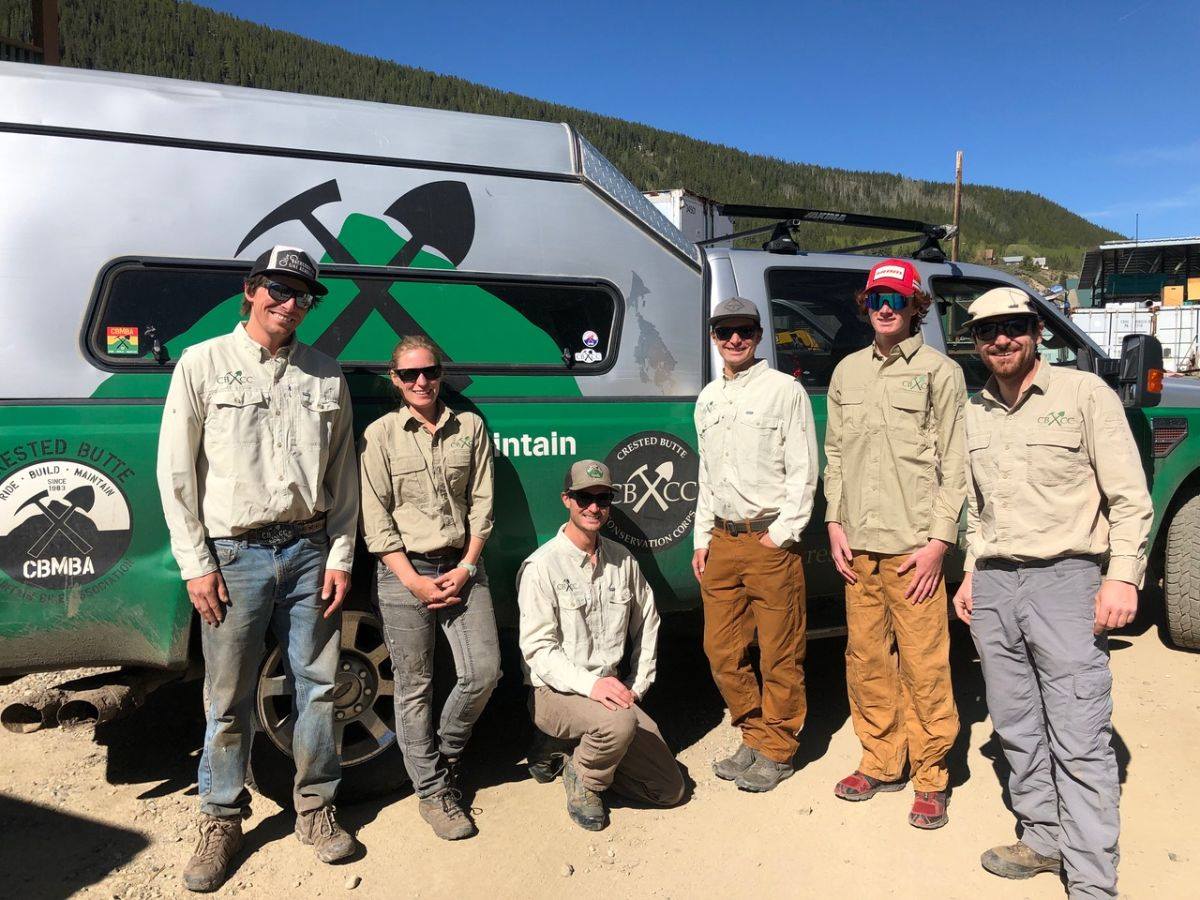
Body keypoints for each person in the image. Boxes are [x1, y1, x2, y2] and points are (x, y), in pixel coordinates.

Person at [157, 245, 359, 892]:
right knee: (227, 699)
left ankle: (316, 809)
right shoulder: (203, 364)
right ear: (251, 289)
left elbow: (344, 479)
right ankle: (220, 819)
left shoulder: (328, 377)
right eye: (277, 288)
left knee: (320, 687)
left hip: (309, 552)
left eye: (302, 295)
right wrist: (196, 564)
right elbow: (176, 473)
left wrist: (341, 555)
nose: (289, 303)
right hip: (234, 557)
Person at [951, 287, 1152, 897]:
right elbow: (976, 508)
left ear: (1037, 330)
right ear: (977, 343)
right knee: (1015, 723)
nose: (1001, 340)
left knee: (1079, 731)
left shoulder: (1083, 394)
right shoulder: (974, 411)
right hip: (995, 584)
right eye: (987, 332)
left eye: (1013, 326)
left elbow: (1128, 496)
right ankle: (1043, 839)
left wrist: (1122, 575)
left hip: (1067, 580)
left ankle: (1091, 880)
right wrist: (969, 571)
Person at [823, 259, 966, 828]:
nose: (886, 308)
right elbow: (835, 457)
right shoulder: (847, 374)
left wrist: (938, 542)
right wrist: (835, 524)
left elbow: (955, 464)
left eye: (898, 299)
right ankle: (881, 760)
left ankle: (931, 776)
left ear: (916, 308)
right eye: (877, 298)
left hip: (914, 552)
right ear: (866, 305)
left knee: (925, 664)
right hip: (859, 548)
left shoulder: (940, 372)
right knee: (866, 660)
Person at [358, 335, 501, 840]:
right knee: (413, 685)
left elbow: (483, 504)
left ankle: (446, 750)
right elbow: (375, 521)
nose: (422, 381)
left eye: (431, 371)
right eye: (410, 374)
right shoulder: (379, 436)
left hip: (463, 566)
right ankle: (432, 791)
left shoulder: (471, 428)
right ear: (394, 380)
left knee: (483, 672)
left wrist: (466, 567)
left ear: (441, 373)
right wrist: (414, 581)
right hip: (404, 573)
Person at [691, 296, 818, 793]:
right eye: (725, 332)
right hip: (721, 539)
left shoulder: (784, 391)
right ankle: (753, 731)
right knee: (721, 649)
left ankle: (779, 747)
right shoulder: (708, 398)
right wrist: (703, 537)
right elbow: (708, 474)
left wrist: (781, 535)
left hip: (768, 540)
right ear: (714, 338)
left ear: (759, 335)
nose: (735, 339)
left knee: (779, 653)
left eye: (744, 330)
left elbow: (804, 470)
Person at [518, 460, 685, 831]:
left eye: (603, 498)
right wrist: (592, 686)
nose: (594, 507)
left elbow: (649, 622)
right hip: (555, 692)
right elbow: (539, 652)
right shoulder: (542, 567)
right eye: (584, 498)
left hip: (612, 695)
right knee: (618, 725)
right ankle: (584, 778)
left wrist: (637, 686)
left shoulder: (622, 559)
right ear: (567, 500)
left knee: (668, 789)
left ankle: (571, 750)